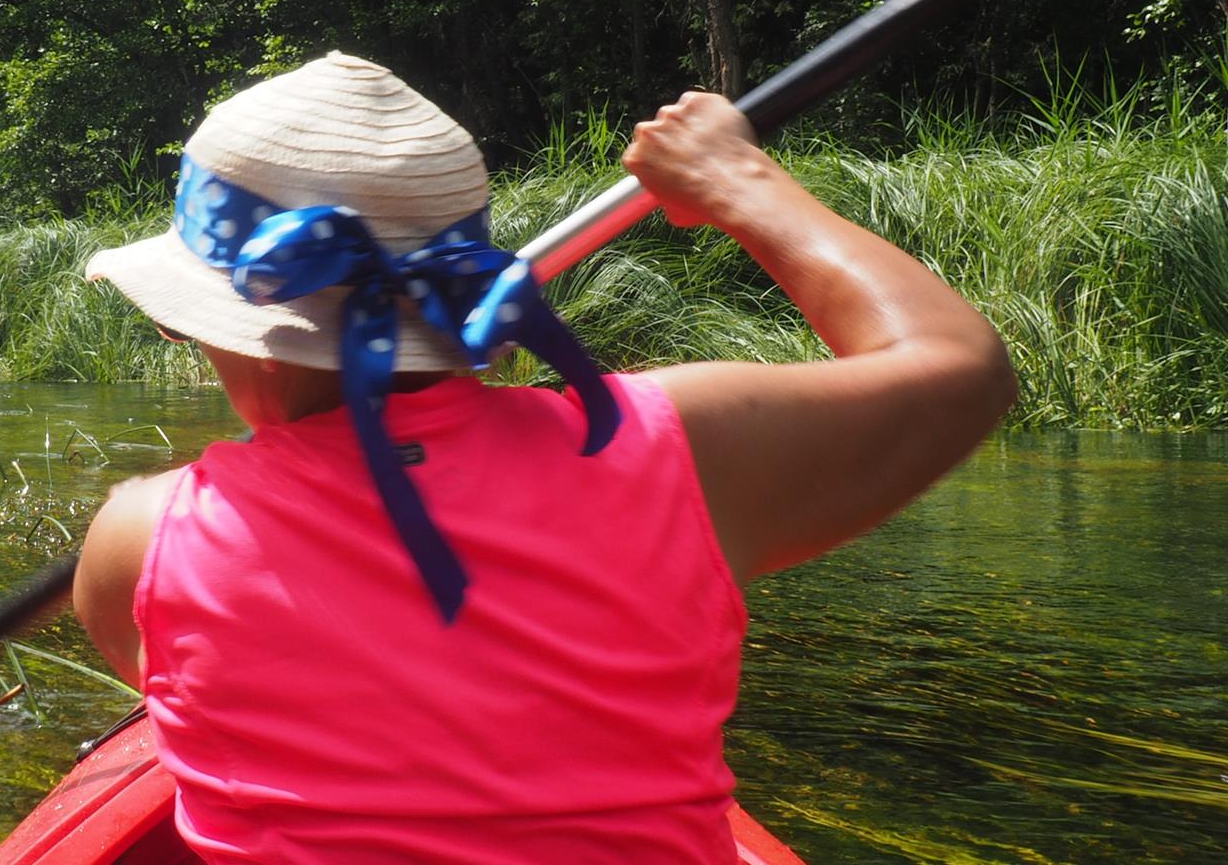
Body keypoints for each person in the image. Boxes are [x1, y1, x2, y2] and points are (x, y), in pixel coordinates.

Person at [72, 52, 1016, 862]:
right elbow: (963, 366)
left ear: (212, 321)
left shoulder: (141, 540)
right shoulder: (680, 446)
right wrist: (737, 181)